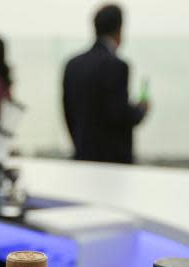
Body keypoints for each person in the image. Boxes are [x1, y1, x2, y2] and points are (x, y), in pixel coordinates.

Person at [62, 4, 148, 164]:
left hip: (82, 155)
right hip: (113, 162)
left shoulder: (72, 65)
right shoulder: (117, 66)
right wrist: (141, 109)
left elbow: (68, 112)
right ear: (120, 29)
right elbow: (119, 114)